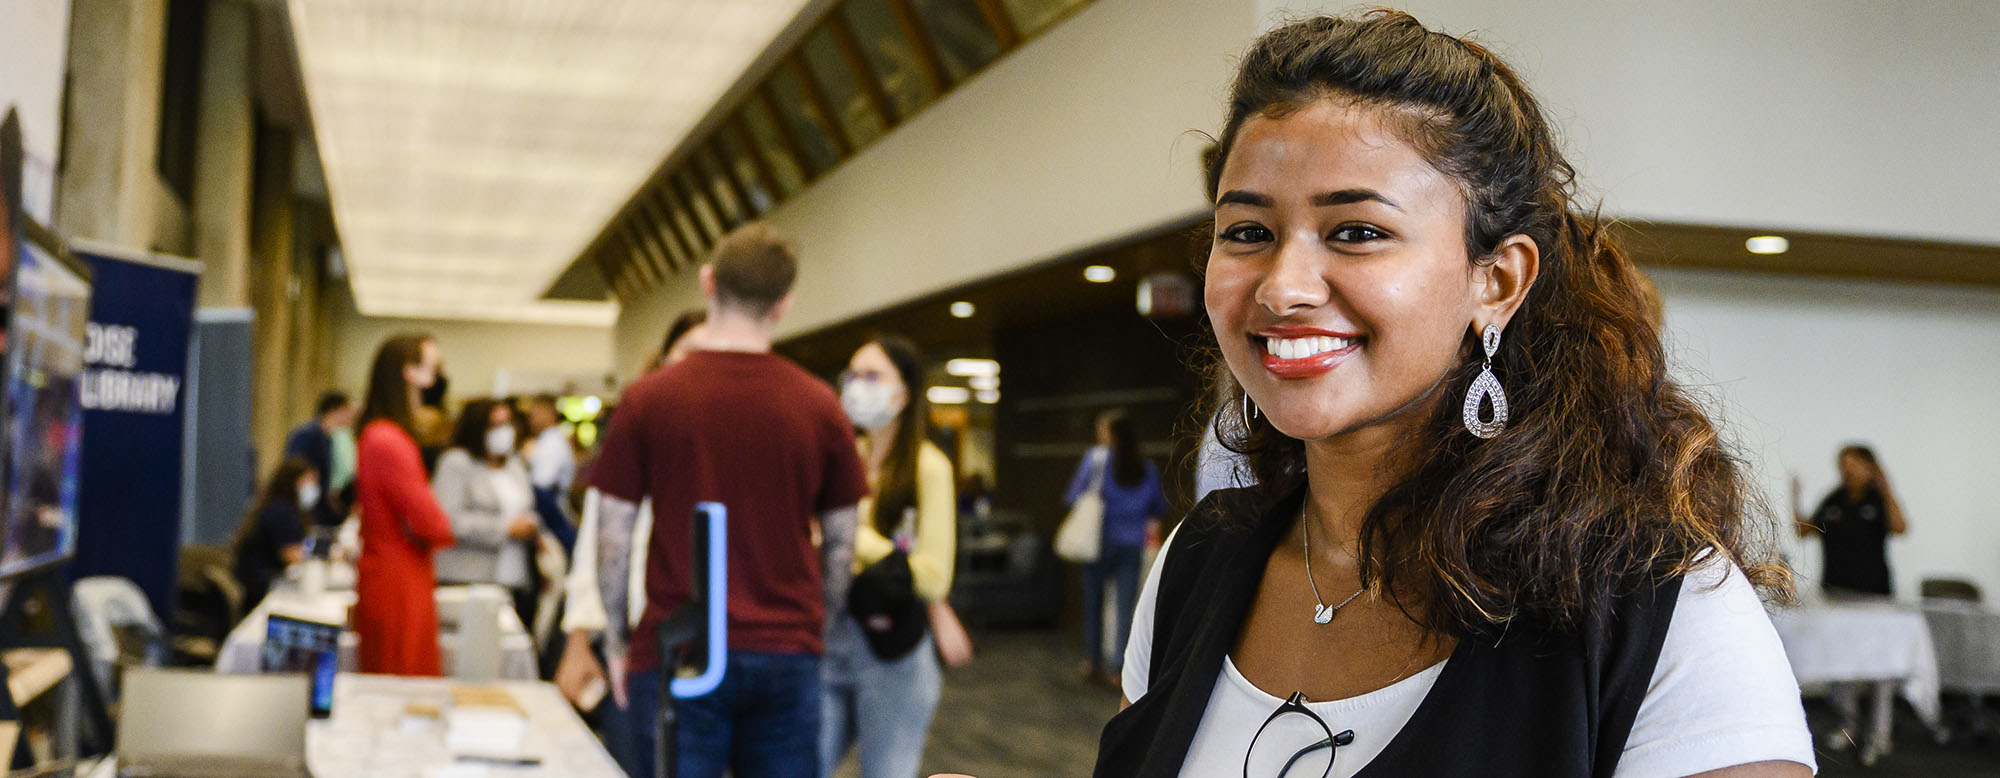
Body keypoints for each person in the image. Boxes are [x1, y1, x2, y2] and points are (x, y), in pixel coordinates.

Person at [1085, 13, 1813, 778]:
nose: (1284, 287)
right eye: (1246, 232)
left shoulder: (1659, 610)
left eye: (1357, 231)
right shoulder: (1199, 558)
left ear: (1495, 282)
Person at [590, 225, 868, 778]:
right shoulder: (819, 405)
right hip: (787, 650)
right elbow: (841, 543)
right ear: (784, 305)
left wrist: (618, 642)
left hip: (681, 645)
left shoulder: (649, 399)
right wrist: (822, 632)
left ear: (707, 282)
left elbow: (612, 536)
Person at [554, 312, 707, 776]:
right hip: (636, 645)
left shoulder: (739, 446)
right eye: (686, 357)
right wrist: (579, 640)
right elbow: (594, 551)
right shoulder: (635, 436)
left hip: (712, 653)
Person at [821, 335, 957, 778]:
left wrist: (852, 535)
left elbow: (933, 577)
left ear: (904, 392)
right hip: (830, 639)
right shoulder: (845, 458)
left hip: (892, 653)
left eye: (873, 375)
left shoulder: (927, 465)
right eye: (853, 375)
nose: (859, 386)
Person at [352, 334, 457, 676]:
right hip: (399, 579)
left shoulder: (378, 435)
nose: (439, 373)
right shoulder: (389, 439)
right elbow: (433, 523)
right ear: (408, 371)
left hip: (390, 572)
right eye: (433, 364)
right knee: (403, 681)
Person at [1063, 410, 1166, 687]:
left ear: (1109, 434)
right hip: (1132, 542)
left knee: (1093, 602)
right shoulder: (1146, 467)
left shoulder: (1095, 461)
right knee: (1125, 607)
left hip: (1100, 542)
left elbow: (1072, 495)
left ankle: (1091, 660)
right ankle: (1118, 668)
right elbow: (1157, 506)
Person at [432, 397, 541, 624]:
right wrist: (505, 528)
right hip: (468, 578)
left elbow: (526, 507)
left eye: (507, 423)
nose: (504, 431)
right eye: (495, 425)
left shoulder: (514, 465)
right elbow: (448, 520)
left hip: (516, 576)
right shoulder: (457, 462)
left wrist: (531, 526)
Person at [1794, 444, 1907, 597]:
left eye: (1853, 465)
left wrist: (1886, 489)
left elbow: (1900, 528)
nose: (1848, 471)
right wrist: (1795, 497)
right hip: (1835, 589)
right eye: (1843, 465)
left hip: (1874, 591)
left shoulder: (1879, 499)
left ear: (1870, 467)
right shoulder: (1833, 499)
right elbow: (1803, 531)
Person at [230, 457, 318, 607]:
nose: (313, 487)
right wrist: (322, 558)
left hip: (259, 582)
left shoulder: (279, 505)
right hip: (260, 587)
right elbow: (291, 554)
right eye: (309, 481)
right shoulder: (281, 511)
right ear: (293, 482)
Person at [283, 391, 356, 527]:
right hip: (305, 507)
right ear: (335, 409)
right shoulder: (308, 434)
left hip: (319, 506)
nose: (351, 416)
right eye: (347, 410)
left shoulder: (328, 438)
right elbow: (295, 467)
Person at [524, 393, 579, 551]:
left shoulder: (553, 443)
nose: (531, 419)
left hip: (553, 521)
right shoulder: (545, 440)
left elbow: (540, 486)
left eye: (535, 413)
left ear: (550, 413)